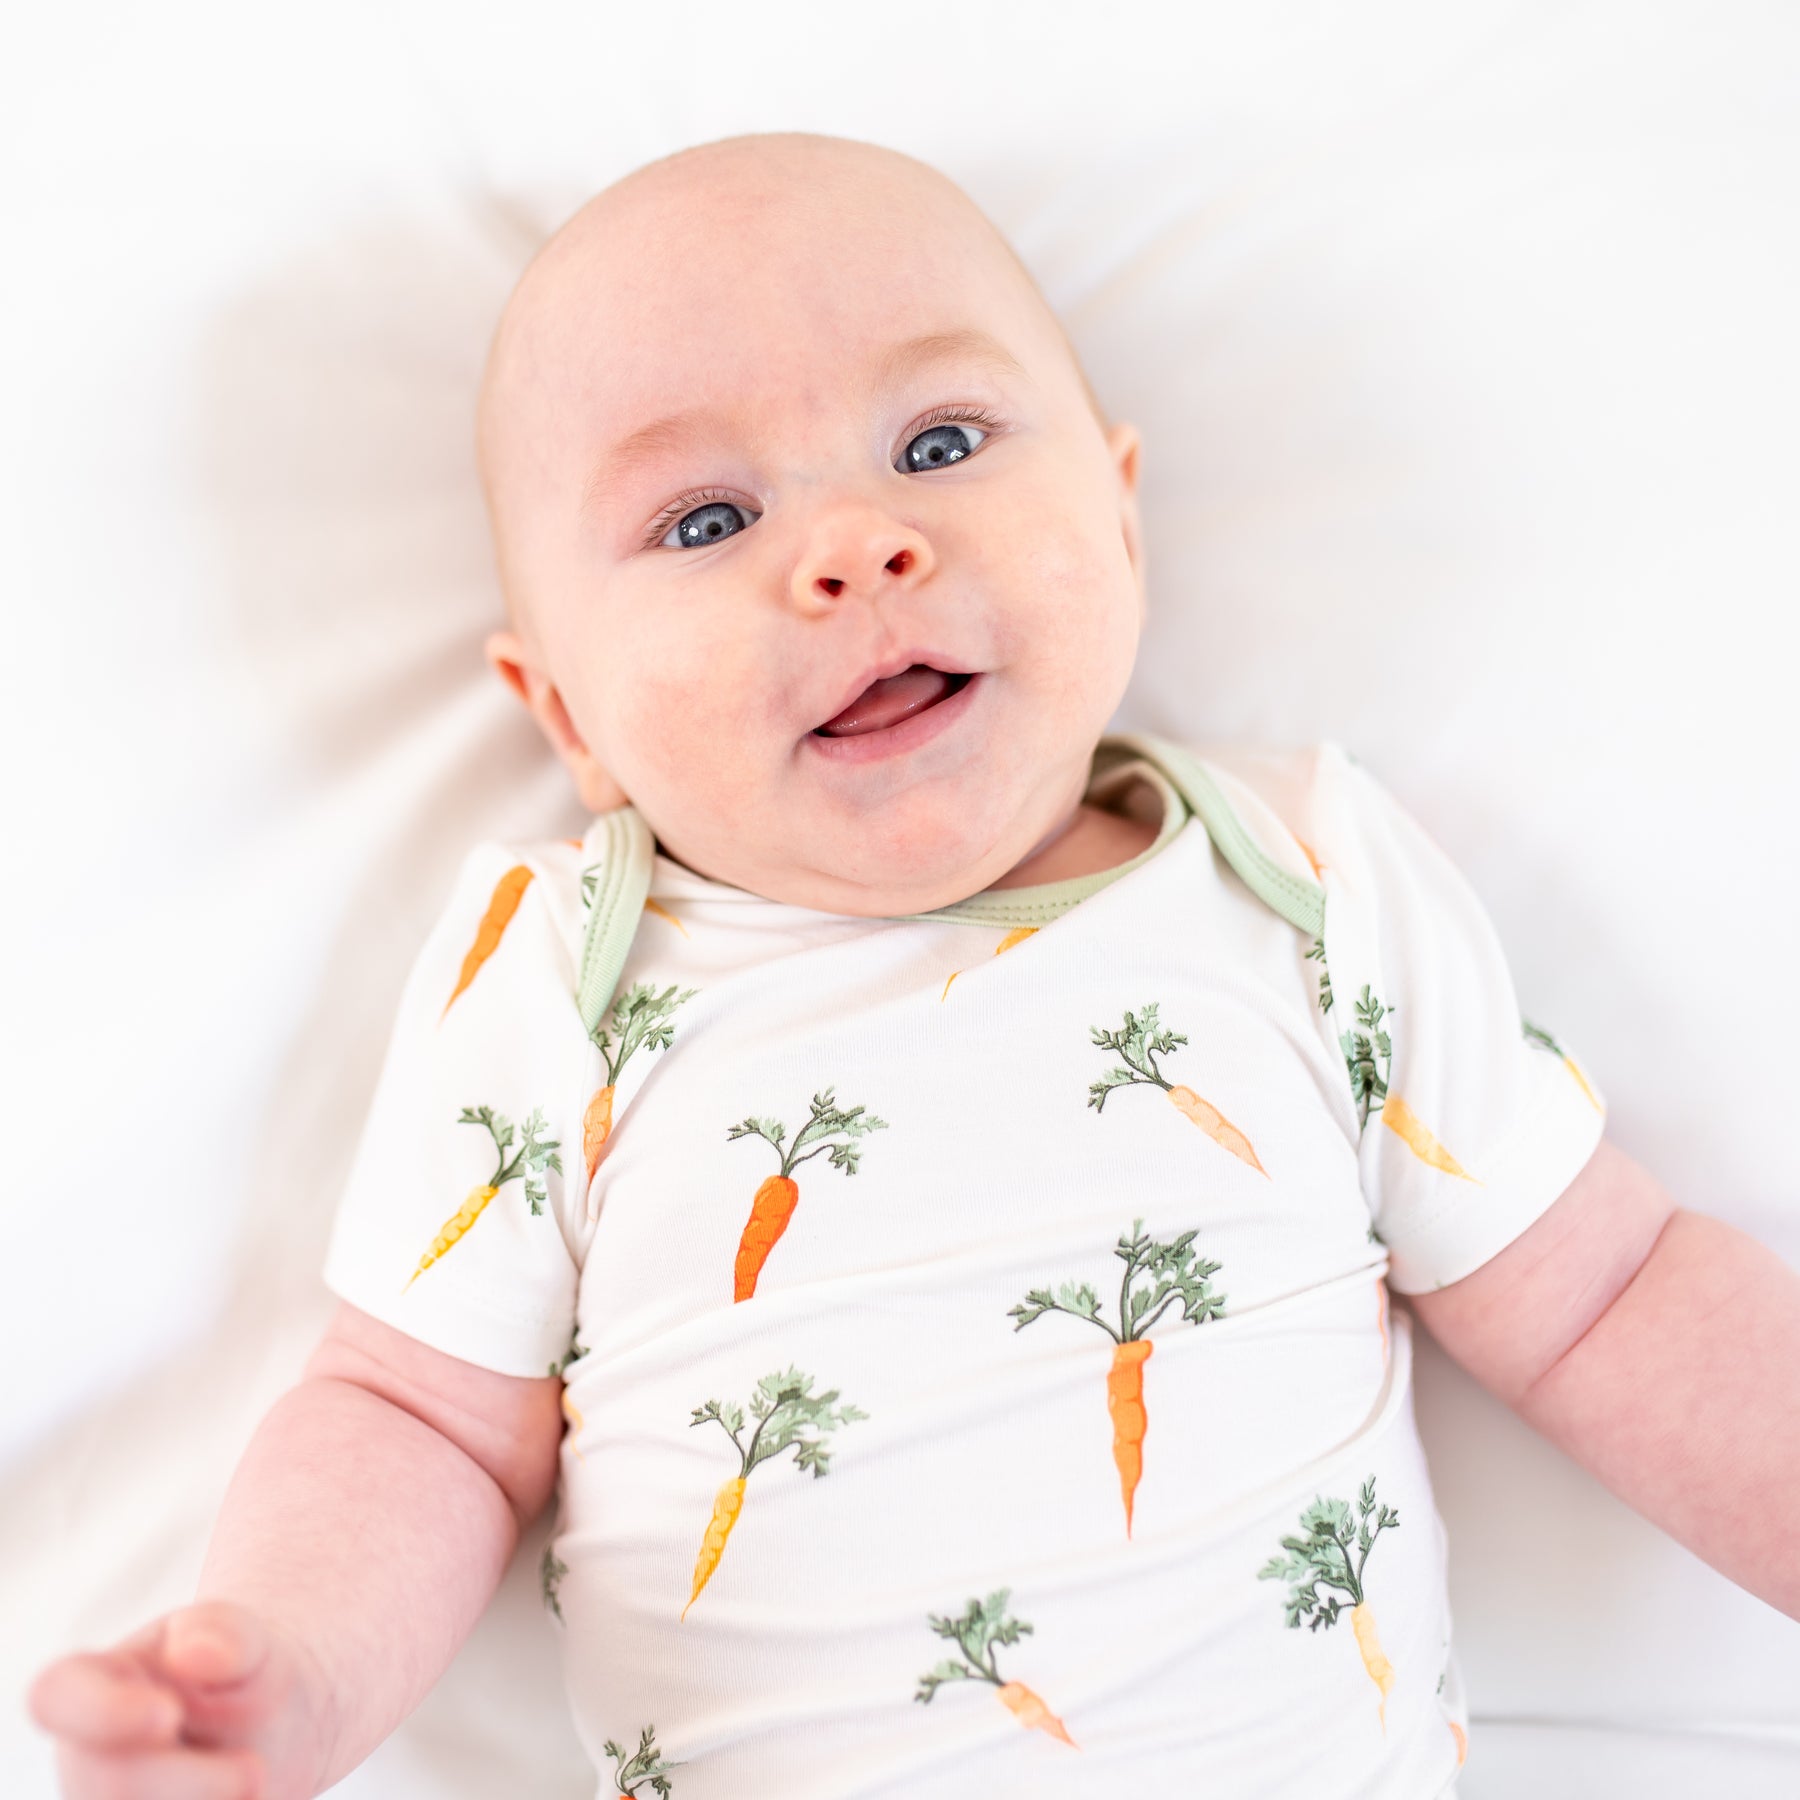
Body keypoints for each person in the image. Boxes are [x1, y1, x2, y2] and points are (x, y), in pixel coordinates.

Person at [28, 131, 1799, 1800]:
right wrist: (288, 1677)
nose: (856, 547)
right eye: (706, 521)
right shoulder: (557, 968)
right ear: (565, 715)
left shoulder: (1302, 873)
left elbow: (1604, 1293)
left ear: (1118, 524)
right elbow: (416, 1417)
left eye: (941, 443)